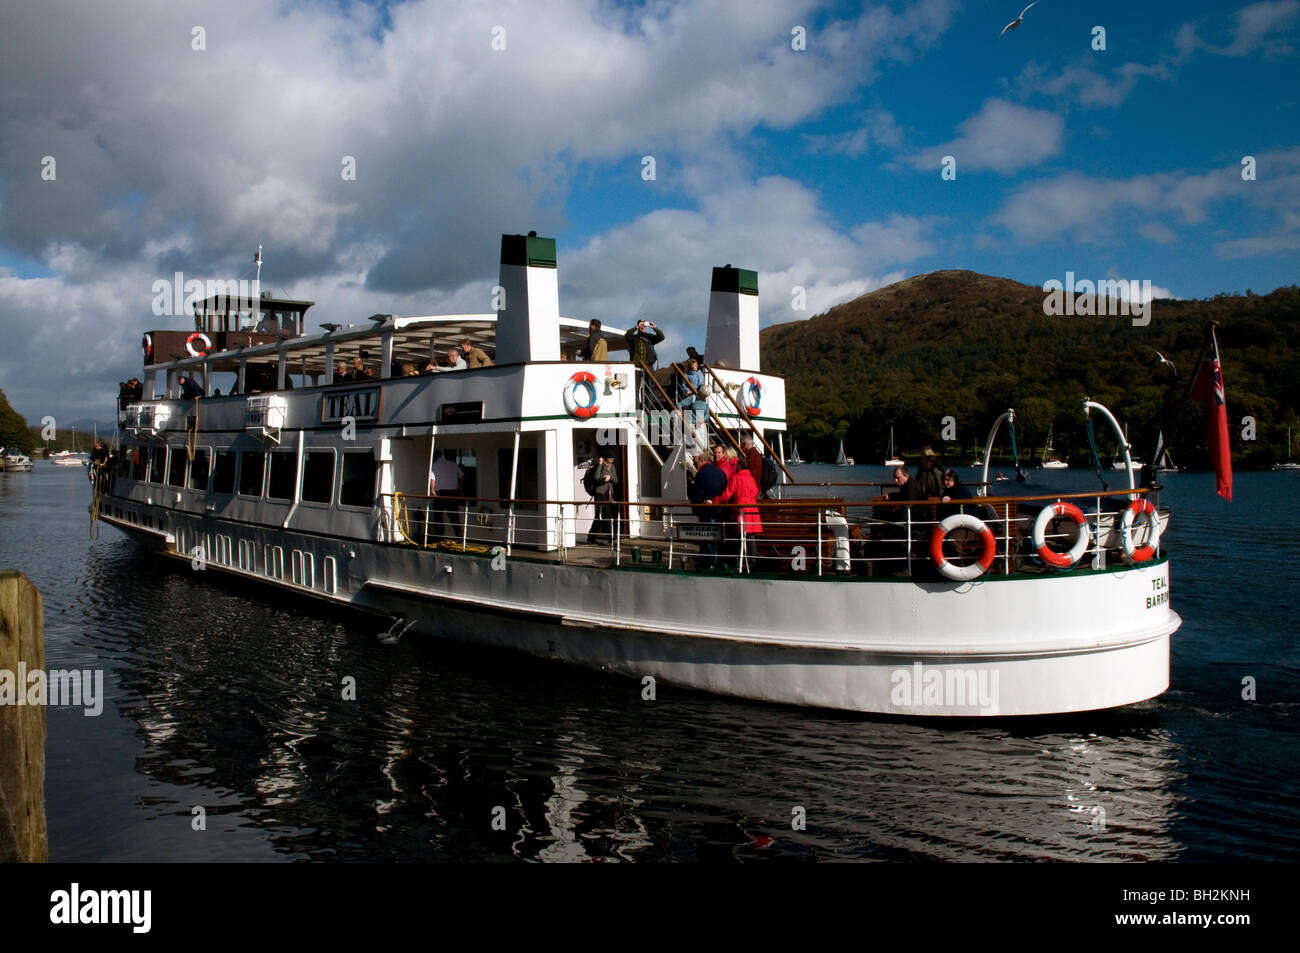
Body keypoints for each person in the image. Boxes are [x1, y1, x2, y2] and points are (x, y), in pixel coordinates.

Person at [714, 457, 763, 570]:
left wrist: (715, 500)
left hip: (741, 509)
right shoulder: (751, 478)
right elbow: (755, 491)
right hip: (752, 509)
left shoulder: (736, 478)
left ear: (739, 466)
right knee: (750, 536)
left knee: (740, 537)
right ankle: (752, 561)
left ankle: (738, 563)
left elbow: (727, 493)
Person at [689, 452, 728, 568]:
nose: (695, 464)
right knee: (717, 537)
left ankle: (710, 562)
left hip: (706, 511)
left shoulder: (701, 474)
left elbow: (697, 495)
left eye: (695, 461)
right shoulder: (720, 472)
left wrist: (696, 509)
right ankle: (715, 561)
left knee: (707, 537)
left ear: (701, 461)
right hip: (720, 509)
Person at [428, 450, 465, 538]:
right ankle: (460, 536)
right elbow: (462, 475)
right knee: (454, 515)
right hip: (453, 493)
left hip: (441, 493)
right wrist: (459, 488)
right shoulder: (452, 463)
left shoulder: (434, 465)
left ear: (435, 457)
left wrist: (432, 490)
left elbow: (432, 479)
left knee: (438, 515)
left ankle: (439, 536)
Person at [584, 453, 619, 544]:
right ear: (605, 458)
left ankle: (591, 537)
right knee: (607, 515)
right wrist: (600, 464)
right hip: (599, 494)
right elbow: (596, 477)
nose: (611, 459)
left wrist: (610, 477)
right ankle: (612, 538)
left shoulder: (612, 466)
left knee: (599, 516)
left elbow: (616, 479)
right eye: (610, 458)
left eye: (612, 458)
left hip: (609, 494)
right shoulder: (600, 465)